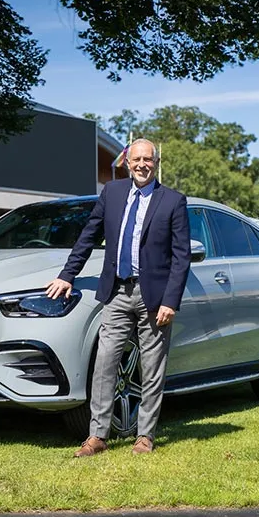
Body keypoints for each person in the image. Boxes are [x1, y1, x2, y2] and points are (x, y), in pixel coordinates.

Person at [45, 138, 191, 456]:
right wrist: (67, 275)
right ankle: (97, 436)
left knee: (152, 367)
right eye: (136, 159)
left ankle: (145, 437)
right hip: (116, 292)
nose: (141, 165)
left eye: (148, 160)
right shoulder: (112, 193)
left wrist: (170, 300)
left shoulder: (173, 201)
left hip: (153, 297)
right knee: (105, 363)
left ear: (156, 162)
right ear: (126, 161)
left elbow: (182, 257)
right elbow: (88, 235)